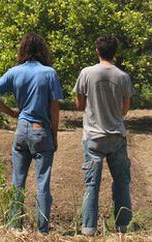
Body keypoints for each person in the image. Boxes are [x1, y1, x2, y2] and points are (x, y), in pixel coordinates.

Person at [0, 32, 63, 233]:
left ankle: (14, 226)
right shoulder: (49, 73)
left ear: (23, 50)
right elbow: (54, 108)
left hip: (21, 129)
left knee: (17, 181)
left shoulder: (14, 72)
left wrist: (11, 112)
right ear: (42, 50)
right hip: (40, 130)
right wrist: (54, 135)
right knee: (42, 182)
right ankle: (42, 229)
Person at [74, 36, 135, 236]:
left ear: (97, 51)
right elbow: (124, 110)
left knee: (92, 185)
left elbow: (80, 106)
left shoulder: (86, 73)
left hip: (93, 136)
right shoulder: (123, 76)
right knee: (121, 182)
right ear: (115, 52)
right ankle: (122, 227)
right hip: (116, 136)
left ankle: (89, 229)